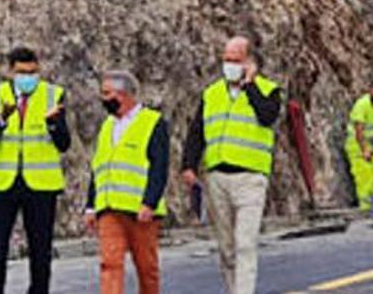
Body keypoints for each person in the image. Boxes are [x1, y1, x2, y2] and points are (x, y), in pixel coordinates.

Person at [180, 36, 282, 294]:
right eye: (226, 60)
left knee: (245, 244)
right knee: (226, 248)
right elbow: (197, 131)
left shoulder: (268, 90)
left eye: (235, 60)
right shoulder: (212, 93)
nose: (229, 65)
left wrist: (250, 85)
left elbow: (267, 116)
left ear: (249, 62)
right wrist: (188, 165)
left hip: (250, 180)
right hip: (217, 179)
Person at [0, 47, 72, 294]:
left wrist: (53, 123)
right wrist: (0, 120)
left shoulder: (54, 95)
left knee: (41, 250)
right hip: (4, 183)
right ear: (11, 71)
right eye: (22, 72)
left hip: (41, 184)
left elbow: (64, 143)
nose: (28, 77)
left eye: (32, 72)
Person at [83, 70, 169, 294]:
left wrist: (149, 202)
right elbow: (99, 167)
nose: (103, 99)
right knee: (110, 264)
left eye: (107, 93)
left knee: (146, 267)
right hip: (109, 208)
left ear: (124, 94)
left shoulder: (152, 122)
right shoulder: (107, 126)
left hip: (140, 210)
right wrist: (91, 205)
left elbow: (159, 166)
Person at [345, 82, 373, 216]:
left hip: (366, 144)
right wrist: (364, 150)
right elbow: (359, 130)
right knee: (364, 177)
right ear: (370, 91)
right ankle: (365, 207)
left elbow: (370, 130)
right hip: (356, 145)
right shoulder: (362, 104)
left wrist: (370, 147)